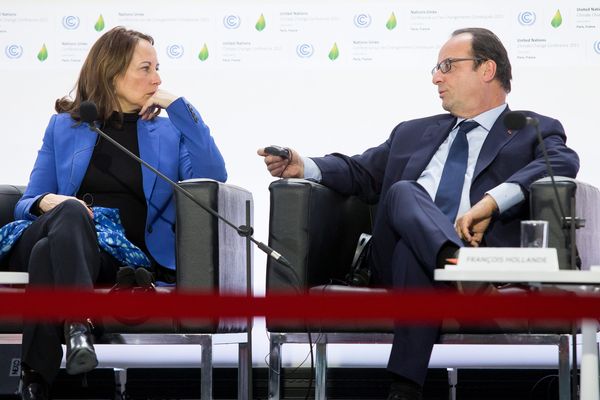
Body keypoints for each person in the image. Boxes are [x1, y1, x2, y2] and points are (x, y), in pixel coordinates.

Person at [258, 27, 579, 400]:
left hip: (473, 253)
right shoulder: (413, 133)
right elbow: (361, 172)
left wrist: (492, 201)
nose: (435, 77)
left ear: (487, 69)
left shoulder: (528, 130)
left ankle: (404, 387)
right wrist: (305, 166)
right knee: (404, 192)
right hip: (404, 264)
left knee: (415, 249)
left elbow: (561, 160)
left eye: (446, 66)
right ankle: (457, 266)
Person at [0, 26, 226, 400]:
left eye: (158, 68)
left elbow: (212, 175)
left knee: (47, 256)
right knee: (71, 215)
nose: (157, 78)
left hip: (114, 255)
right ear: (112, 72)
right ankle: (77, 323)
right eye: (145, 68)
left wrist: (179, 106)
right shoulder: (65, 126)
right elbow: (29, 200)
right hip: (60, 227)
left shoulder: (167, 132)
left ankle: (35, 379)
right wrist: (47, 203)